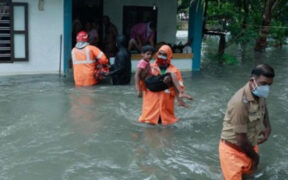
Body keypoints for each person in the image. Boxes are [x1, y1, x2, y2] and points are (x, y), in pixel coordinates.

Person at [219, 64, 275, 180]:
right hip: (233, 152)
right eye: (264, 84)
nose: (267, 88)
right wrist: (256, 157)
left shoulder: (259, 93)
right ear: (252, 81)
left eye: (269, 85)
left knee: (250, 176)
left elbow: (264, 108)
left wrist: (268, 127)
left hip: (250, 146)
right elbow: (240, 140)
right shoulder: (240, 102)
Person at [138, 45, 192, 125]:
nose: (161, 56)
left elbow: (179, 89)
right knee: (148, 133)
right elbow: (142, 84)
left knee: (166, 131)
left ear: (169, 56)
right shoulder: (149, 67)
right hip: (150, 110)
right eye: (160, 54)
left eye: (164, 55)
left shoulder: (175, 71)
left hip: (166, 112)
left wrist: (169, 84)